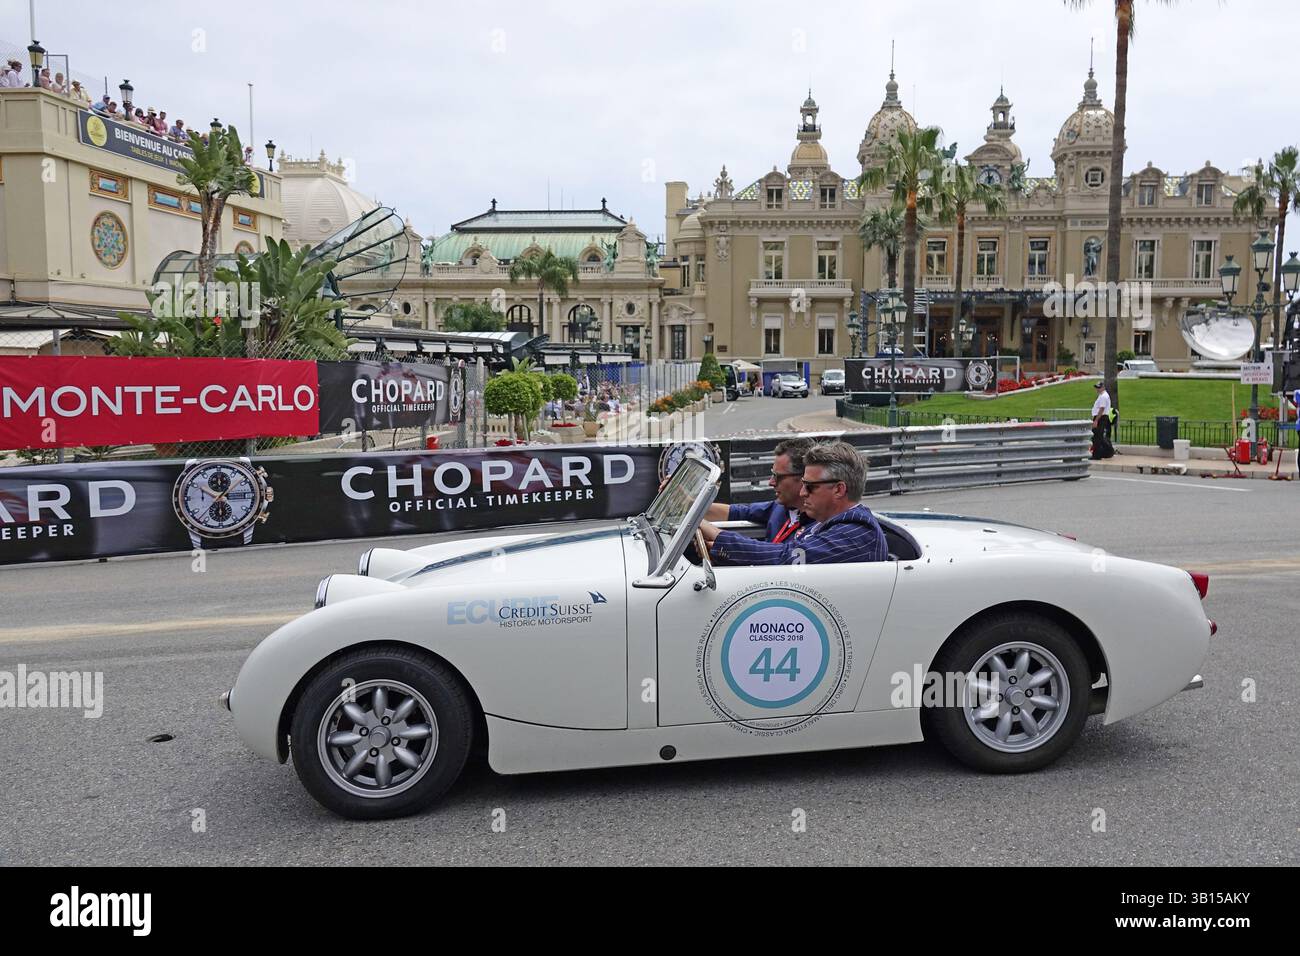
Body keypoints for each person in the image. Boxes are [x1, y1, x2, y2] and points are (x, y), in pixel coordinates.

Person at [699, 440, 889, 565]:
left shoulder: (856, 533)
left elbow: (787, 557)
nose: (802, 492)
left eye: (810, 486)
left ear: (839, 490)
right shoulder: (829, 524)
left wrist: (716, 535)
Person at [703, 437, 813, 544]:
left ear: (804, 479)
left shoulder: (819, 528)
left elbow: (779, 555)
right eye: (772, 474)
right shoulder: (779, 508)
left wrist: (720, 542)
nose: (771, 482)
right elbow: (737, 512)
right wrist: (691, 508)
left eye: (778, 476)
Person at [1091, 380, 1115, 460]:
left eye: (1099, 388)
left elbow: (1101, 409)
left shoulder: (1104, 396)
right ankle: (1107, 452)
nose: (1097, 389)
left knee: (1097, 437)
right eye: (1097, 388)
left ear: (1103, 387)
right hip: (1100, 417)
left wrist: (1096, 420)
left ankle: (1097, 455)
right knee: (1098, 437)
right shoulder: (1102, 395)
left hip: (1101, 418)